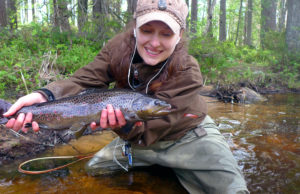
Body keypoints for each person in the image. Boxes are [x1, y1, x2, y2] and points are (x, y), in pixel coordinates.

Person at [4, 0, 249, 193]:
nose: (154, 42)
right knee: (94, 172)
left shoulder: (188, 70)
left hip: (188, 136)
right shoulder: (118, 47)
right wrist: (44, 95)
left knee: (234, 190)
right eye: (146, 30)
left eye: (166, 34)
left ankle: (174, 168)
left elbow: (154, 125)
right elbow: (82, 81)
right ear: (135, 28)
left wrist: (125, 126)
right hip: (135, 136)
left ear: (180, 35)